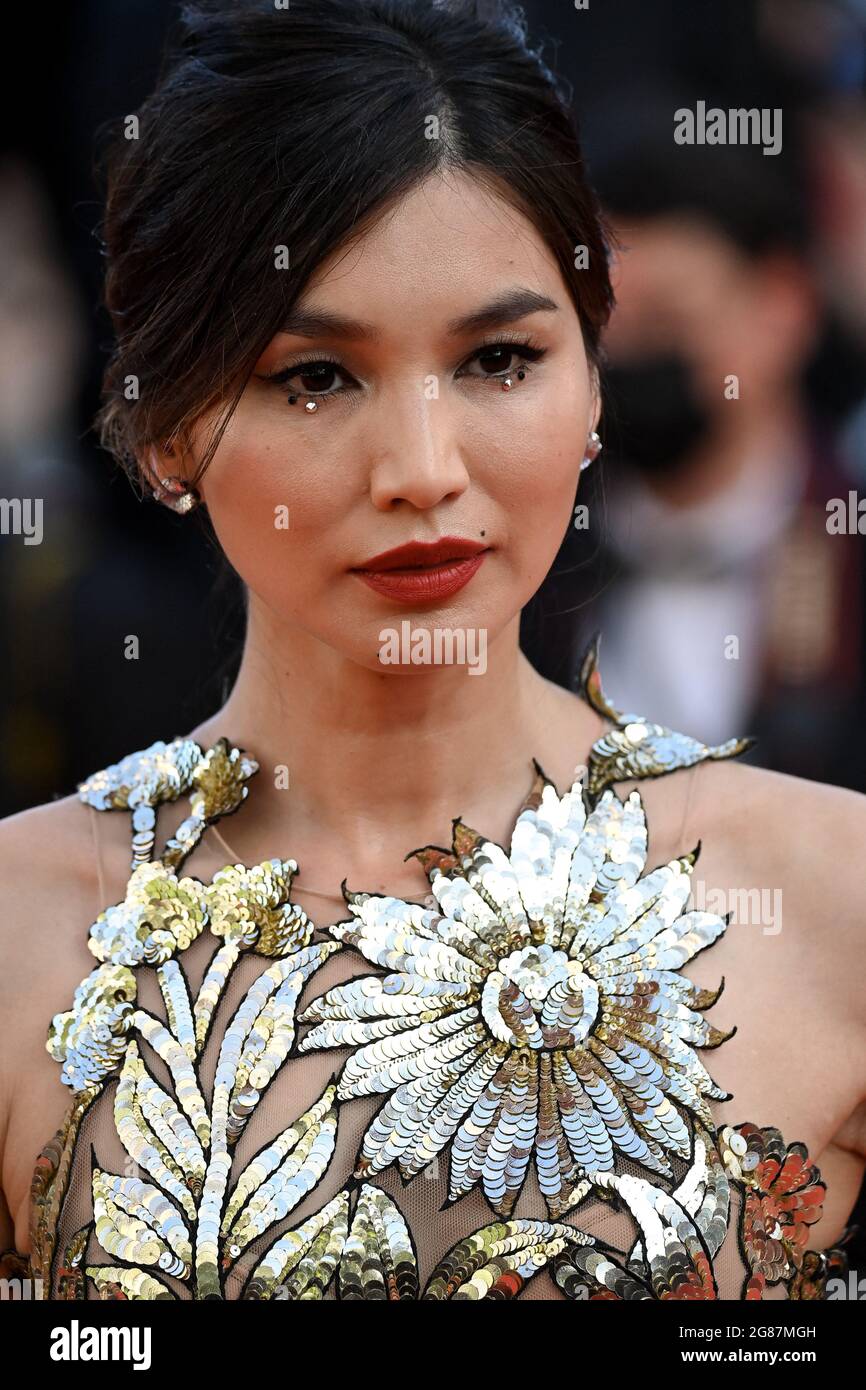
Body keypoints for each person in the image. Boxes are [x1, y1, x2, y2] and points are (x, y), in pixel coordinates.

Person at [0, 0, 864, 1302]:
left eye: (499, 359)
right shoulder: (19, 926)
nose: (421, 471)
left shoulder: (835, 896)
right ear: (166, 427)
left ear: (588, 385)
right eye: (313, 377)